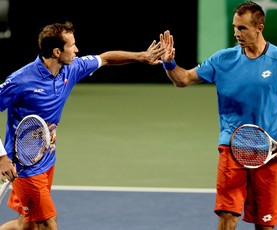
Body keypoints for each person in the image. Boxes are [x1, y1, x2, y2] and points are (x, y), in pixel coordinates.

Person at [0, 21, 165, 229]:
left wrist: (141, 56)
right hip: (24, 167)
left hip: (45, 158)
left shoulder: (71, 68)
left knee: (26, 224)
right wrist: (2, 157)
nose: (77, 50)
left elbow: (105, 58)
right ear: (57, 51)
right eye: (72, 46)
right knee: (48, 224)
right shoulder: (20, 81)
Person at [159, 1, 277, 229]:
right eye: (234, 27)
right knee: (228, 214)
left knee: (265, 224)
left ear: (260, 27)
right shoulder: (223, 59)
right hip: (233, 146)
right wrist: (169, 63)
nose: (236, 33)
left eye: (242, 28)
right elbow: (182, 79)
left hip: (270, 152)